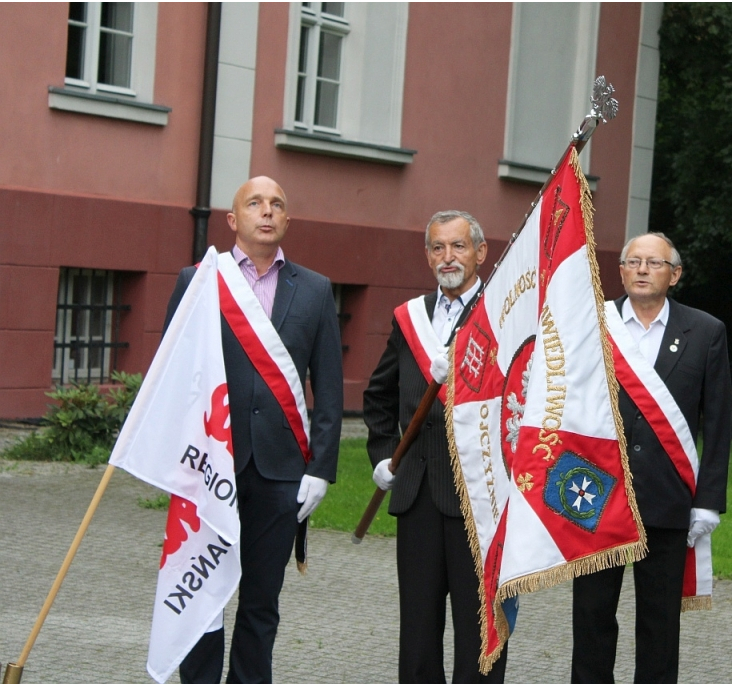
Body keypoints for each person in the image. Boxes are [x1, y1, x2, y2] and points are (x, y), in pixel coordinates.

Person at [163, 176, 344, 683]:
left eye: (277, 205)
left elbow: (328, 390)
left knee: (261, 601)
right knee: (202, 596)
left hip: (281, 472)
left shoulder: (314, 288)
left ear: (287, 220)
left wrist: (321, 469)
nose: (266, 212)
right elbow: (171, 375)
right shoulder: (197, 280)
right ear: (233, 219)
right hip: (209, 467)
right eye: (255, 203)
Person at [571, 232, 731, 683]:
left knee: (660, 624)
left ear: (674, 274)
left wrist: (708, 500)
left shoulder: (705, 332)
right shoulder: (589, 325)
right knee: (591, 617)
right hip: (597, 496)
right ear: (620, 271)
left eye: (654, 263)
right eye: (633, 262)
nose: (642, 269)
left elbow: (718, 424)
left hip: (667, 500)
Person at [363, 210, 508, 683]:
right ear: (428, 257)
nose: (448, 257)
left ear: (480, 253)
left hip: (480, 497)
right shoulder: (410, 320)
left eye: (459, 246)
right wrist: (384, 456)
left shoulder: (503, 318)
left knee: (480, 628)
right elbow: (379, 397)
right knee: (419, 631)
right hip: (418, 494)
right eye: (439, 248)